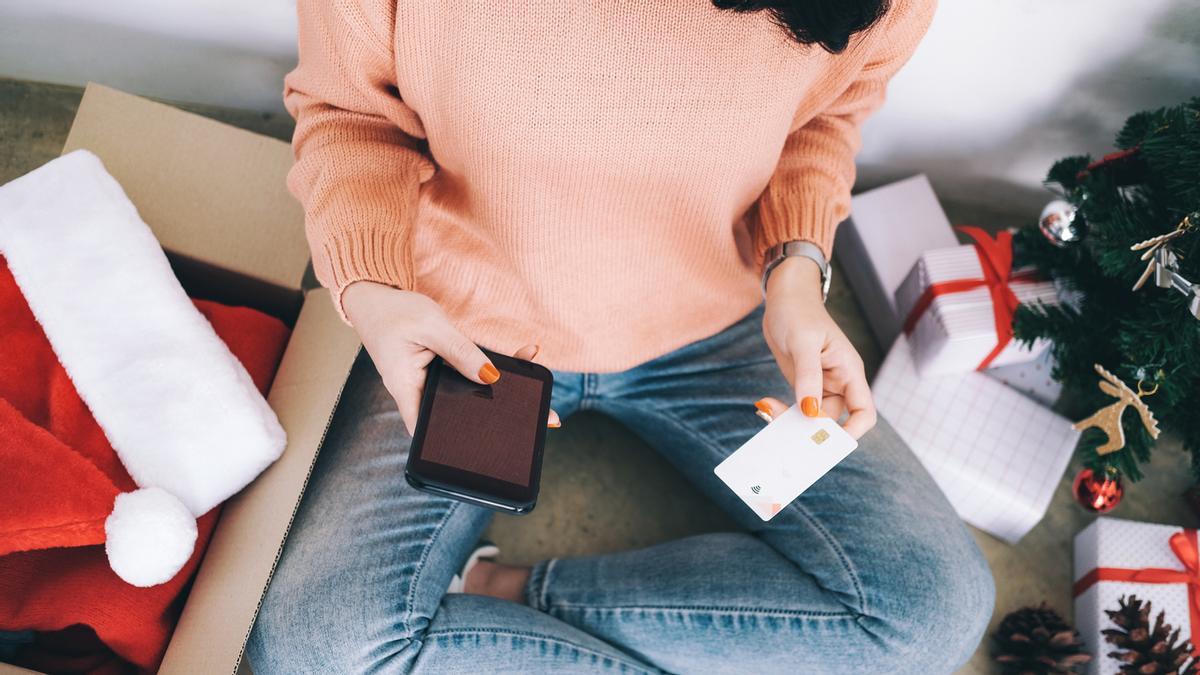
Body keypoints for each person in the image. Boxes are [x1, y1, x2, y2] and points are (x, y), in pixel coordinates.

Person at [248, 0, 994, 672]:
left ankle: (497, 594)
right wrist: (373, 292)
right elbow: (350, 117)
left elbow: (826, 119)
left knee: (929, 610)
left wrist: (796, 268)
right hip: (461, 325)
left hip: (721, 320)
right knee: (313, 645)